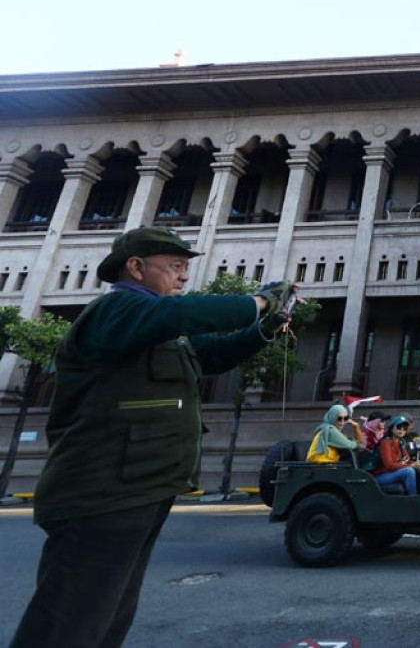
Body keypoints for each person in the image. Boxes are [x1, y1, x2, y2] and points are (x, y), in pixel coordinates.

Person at [10, 226, 296, 648]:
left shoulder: (153, 325)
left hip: (138, 487)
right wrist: (259, 300)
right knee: (69, 624)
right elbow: (183, 315)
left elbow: (210, 355)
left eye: (185, 268)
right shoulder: (118, 311)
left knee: (108, 616)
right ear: (136, 267)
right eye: (175, 267)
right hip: (103, 489)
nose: (183, 277)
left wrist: (264, 328)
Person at [373, 415, 420, 495]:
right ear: (392, 428)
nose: (402, 429)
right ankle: (413, 500)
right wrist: (411, 466)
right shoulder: (386, 443)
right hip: (383, 475)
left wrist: (414, 464)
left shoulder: (401, 442)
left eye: (405, 427)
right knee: (409, 471)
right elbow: (389, 465)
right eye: (399, 426)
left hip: (395, 471)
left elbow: (406, 459)